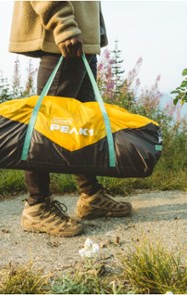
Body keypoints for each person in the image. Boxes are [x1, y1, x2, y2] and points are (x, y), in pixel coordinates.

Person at [9, 1, 132, 237]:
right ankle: (36, 207)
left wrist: (93, 31)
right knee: (46, 125)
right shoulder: (65, 30)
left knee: (82, 124)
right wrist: (63, 24)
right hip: (66, 37)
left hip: (82, 36)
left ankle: (92, 196)